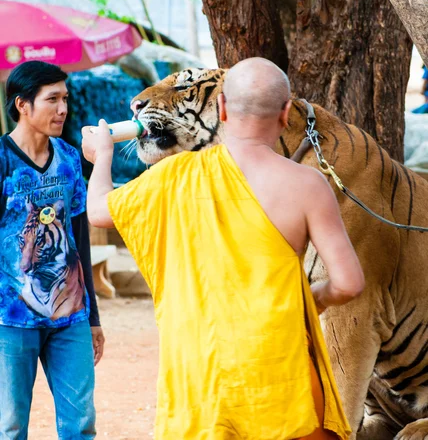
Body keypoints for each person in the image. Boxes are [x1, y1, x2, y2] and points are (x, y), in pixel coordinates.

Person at [82, 57, 364, 440]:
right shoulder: (308, 184)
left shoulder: (171, 176)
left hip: (201, 375)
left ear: (223, 108)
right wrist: (308, 298)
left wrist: (102, 159)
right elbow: (348, 283)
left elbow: (98, 211)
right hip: (282, 376)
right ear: (285, 113)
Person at [0, 60, 104, 440]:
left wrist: (92, 314)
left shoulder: (70, 158)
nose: (63, 109)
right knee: (10, 428)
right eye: (52, 99)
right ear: (22, 105)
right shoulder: (1, 160)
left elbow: (79, 237)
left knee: (80, 425)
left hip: (70, 316)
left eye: (65, 99)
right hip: (10, 321)